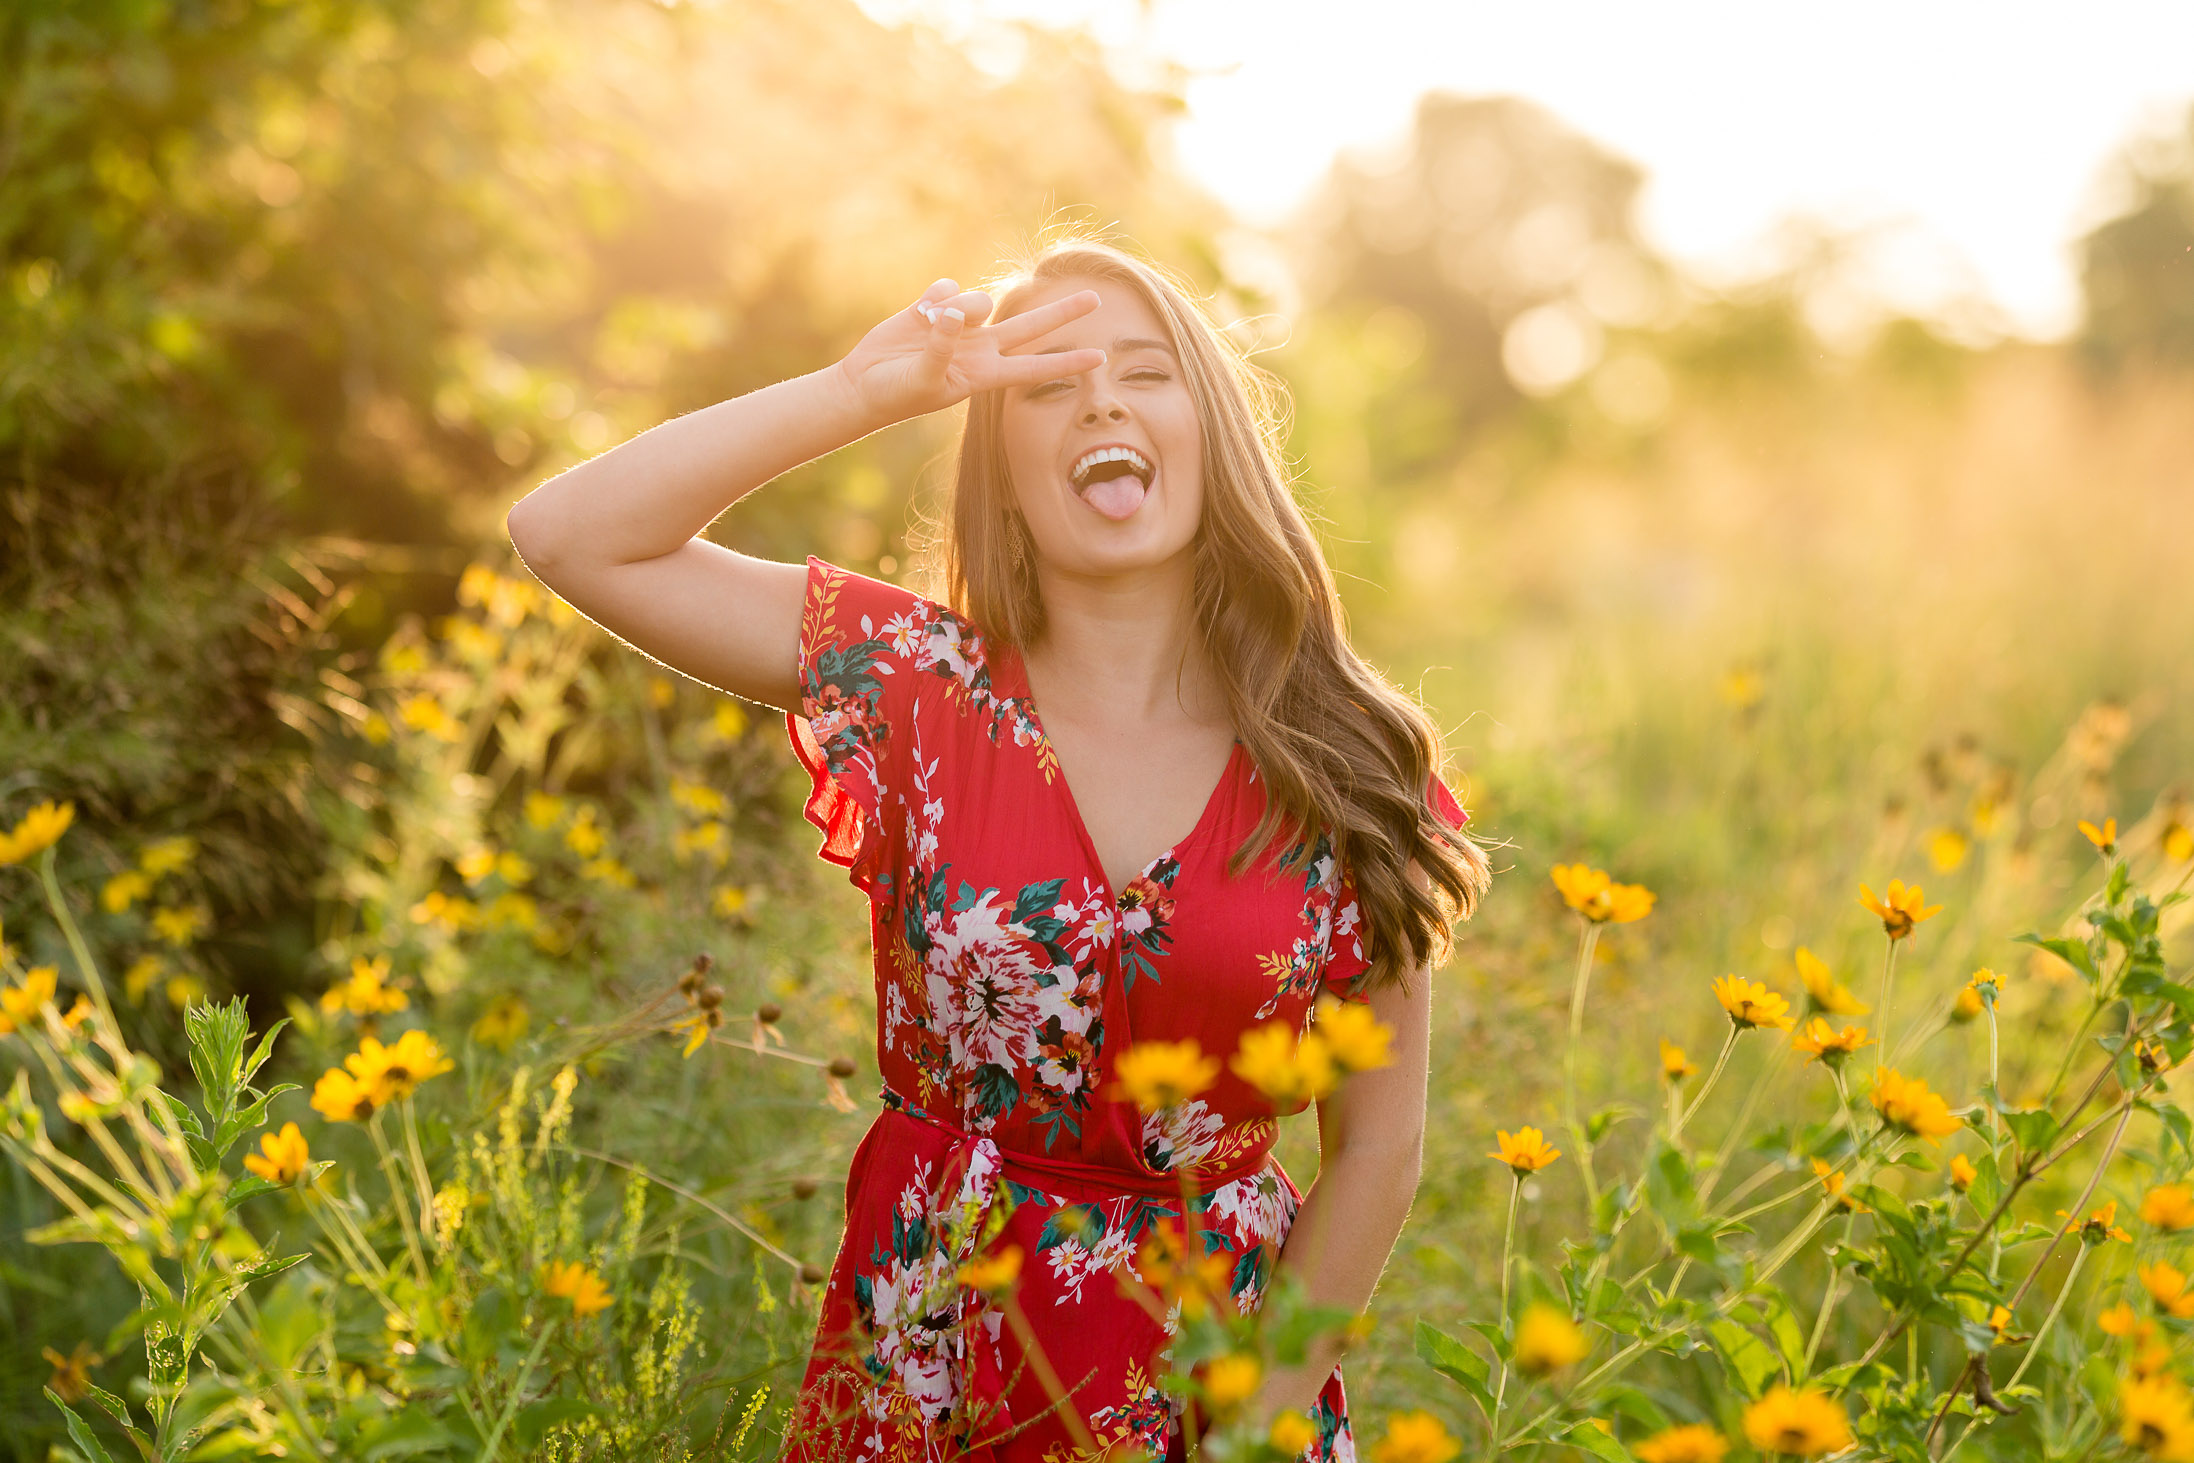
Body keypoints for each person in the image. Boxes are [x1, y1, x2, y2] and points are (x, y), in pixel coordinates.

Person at [506, 232, 1490, 1462]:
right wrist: (863, 394)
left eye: (1145, 370)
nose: (1100, 400)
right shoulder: (916, 684)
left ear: (1212, 429)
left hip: (1213, 1382)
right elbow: (569, 533)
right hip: (929, 1358)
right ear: (1005, 464)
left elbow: (1377, 1148)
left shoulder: (1350, 759)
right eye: (1045, 380)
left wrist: (1250, 1421)